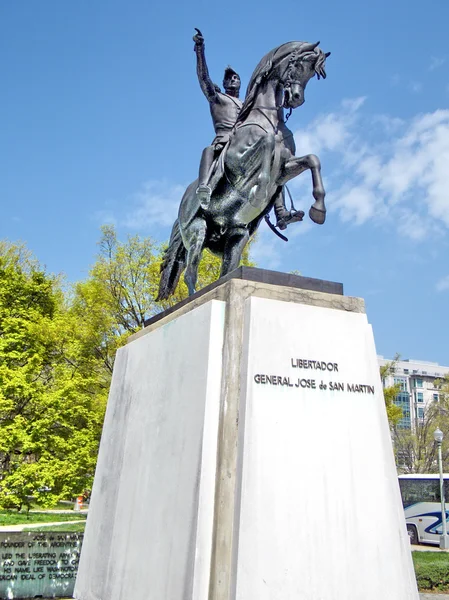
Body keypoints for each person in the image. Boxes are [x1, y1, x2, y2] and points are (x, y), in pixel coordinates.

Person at [193, 29, 243, 207]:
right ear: (224, 84)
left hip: (245, 141)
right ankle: (204, 186)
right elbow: (203, 78)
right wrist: (200, 50)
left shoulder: (247, 104)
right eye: (229, 78)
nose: (233, 80)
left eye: (236, 78)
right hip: (223, 141)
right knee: (208, 150)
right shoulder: (217, 98)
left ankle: (281, 211)